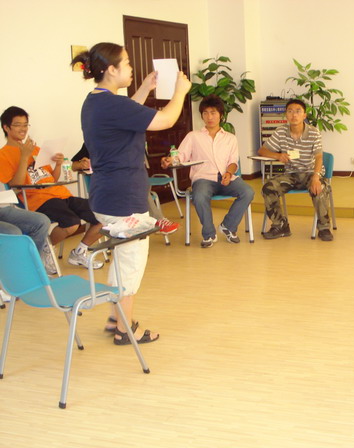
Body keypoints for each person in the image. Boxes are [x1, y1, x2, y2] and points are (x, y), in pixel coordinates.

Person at [73, 42, 191, 345]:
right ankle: (125, 330)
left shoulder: (96, 101)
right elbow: (165, 120)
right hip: (123, 199)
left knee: (122, 257)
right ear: (111, 70)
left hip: (107, 195)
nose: (131, 67)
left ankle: (116, 319)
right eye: (126, 63)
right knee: (130, 263)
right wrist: (180, 92)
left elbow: (128, 115)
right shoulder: (112, 105)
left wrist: (143, 88)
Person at [0, 106, 104, 270]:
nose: (23, 129)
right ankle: (46, 248)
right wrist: (24, 157)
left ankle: (79, 252)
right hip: (38, 200)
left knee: (104, 216)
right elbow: (14, 185)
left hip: (61, 194)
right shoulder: (3, 154)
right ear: (6, 127)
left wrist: (58, 165)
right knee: (71, 223)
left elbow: (51, 179)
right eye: (18, 125)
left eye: (26, 124)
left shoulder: (36, 150)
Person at [160, 94, 254, 247]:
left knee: (247, 192)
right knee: (199, 195)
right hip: (203, 179)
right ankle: (209, 234)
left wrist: (229, 173)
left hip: (226, 178)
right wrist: (169, 160)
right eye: (205, 113)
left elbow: (233, 162)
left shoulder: (230, 138)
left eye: (213, 113)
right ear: (202, 115)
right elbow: (180, 156)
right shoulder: (193, 136)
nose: (209, 117)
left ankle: (228, 226)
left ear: (221, 115)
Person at [258, 99, 333, 241]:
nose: (294, 115)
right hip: (290, 174)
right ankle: (280, 225)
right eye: (290, 111)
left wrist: (316, 177)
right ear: (286, 115)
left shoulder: (314, 132)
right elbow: (262, 150)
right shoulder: (281, 131)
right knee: (268, 188)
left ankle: (324, 228)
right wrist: (277, 155)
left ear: (304, 115)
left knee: (320, 188)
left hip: (311, 173)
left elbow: (319, 157)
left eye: (298, 111)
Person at [71, 143, 179, 235]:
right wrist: (81, 164)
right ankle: (156, 221)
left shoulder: (121, 142)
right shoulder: (92, 141)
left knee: (138, 186)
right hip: (103, 188)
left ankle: (153, 222)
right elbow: (73, 166)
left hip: (122, 184)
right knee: (135, 189)